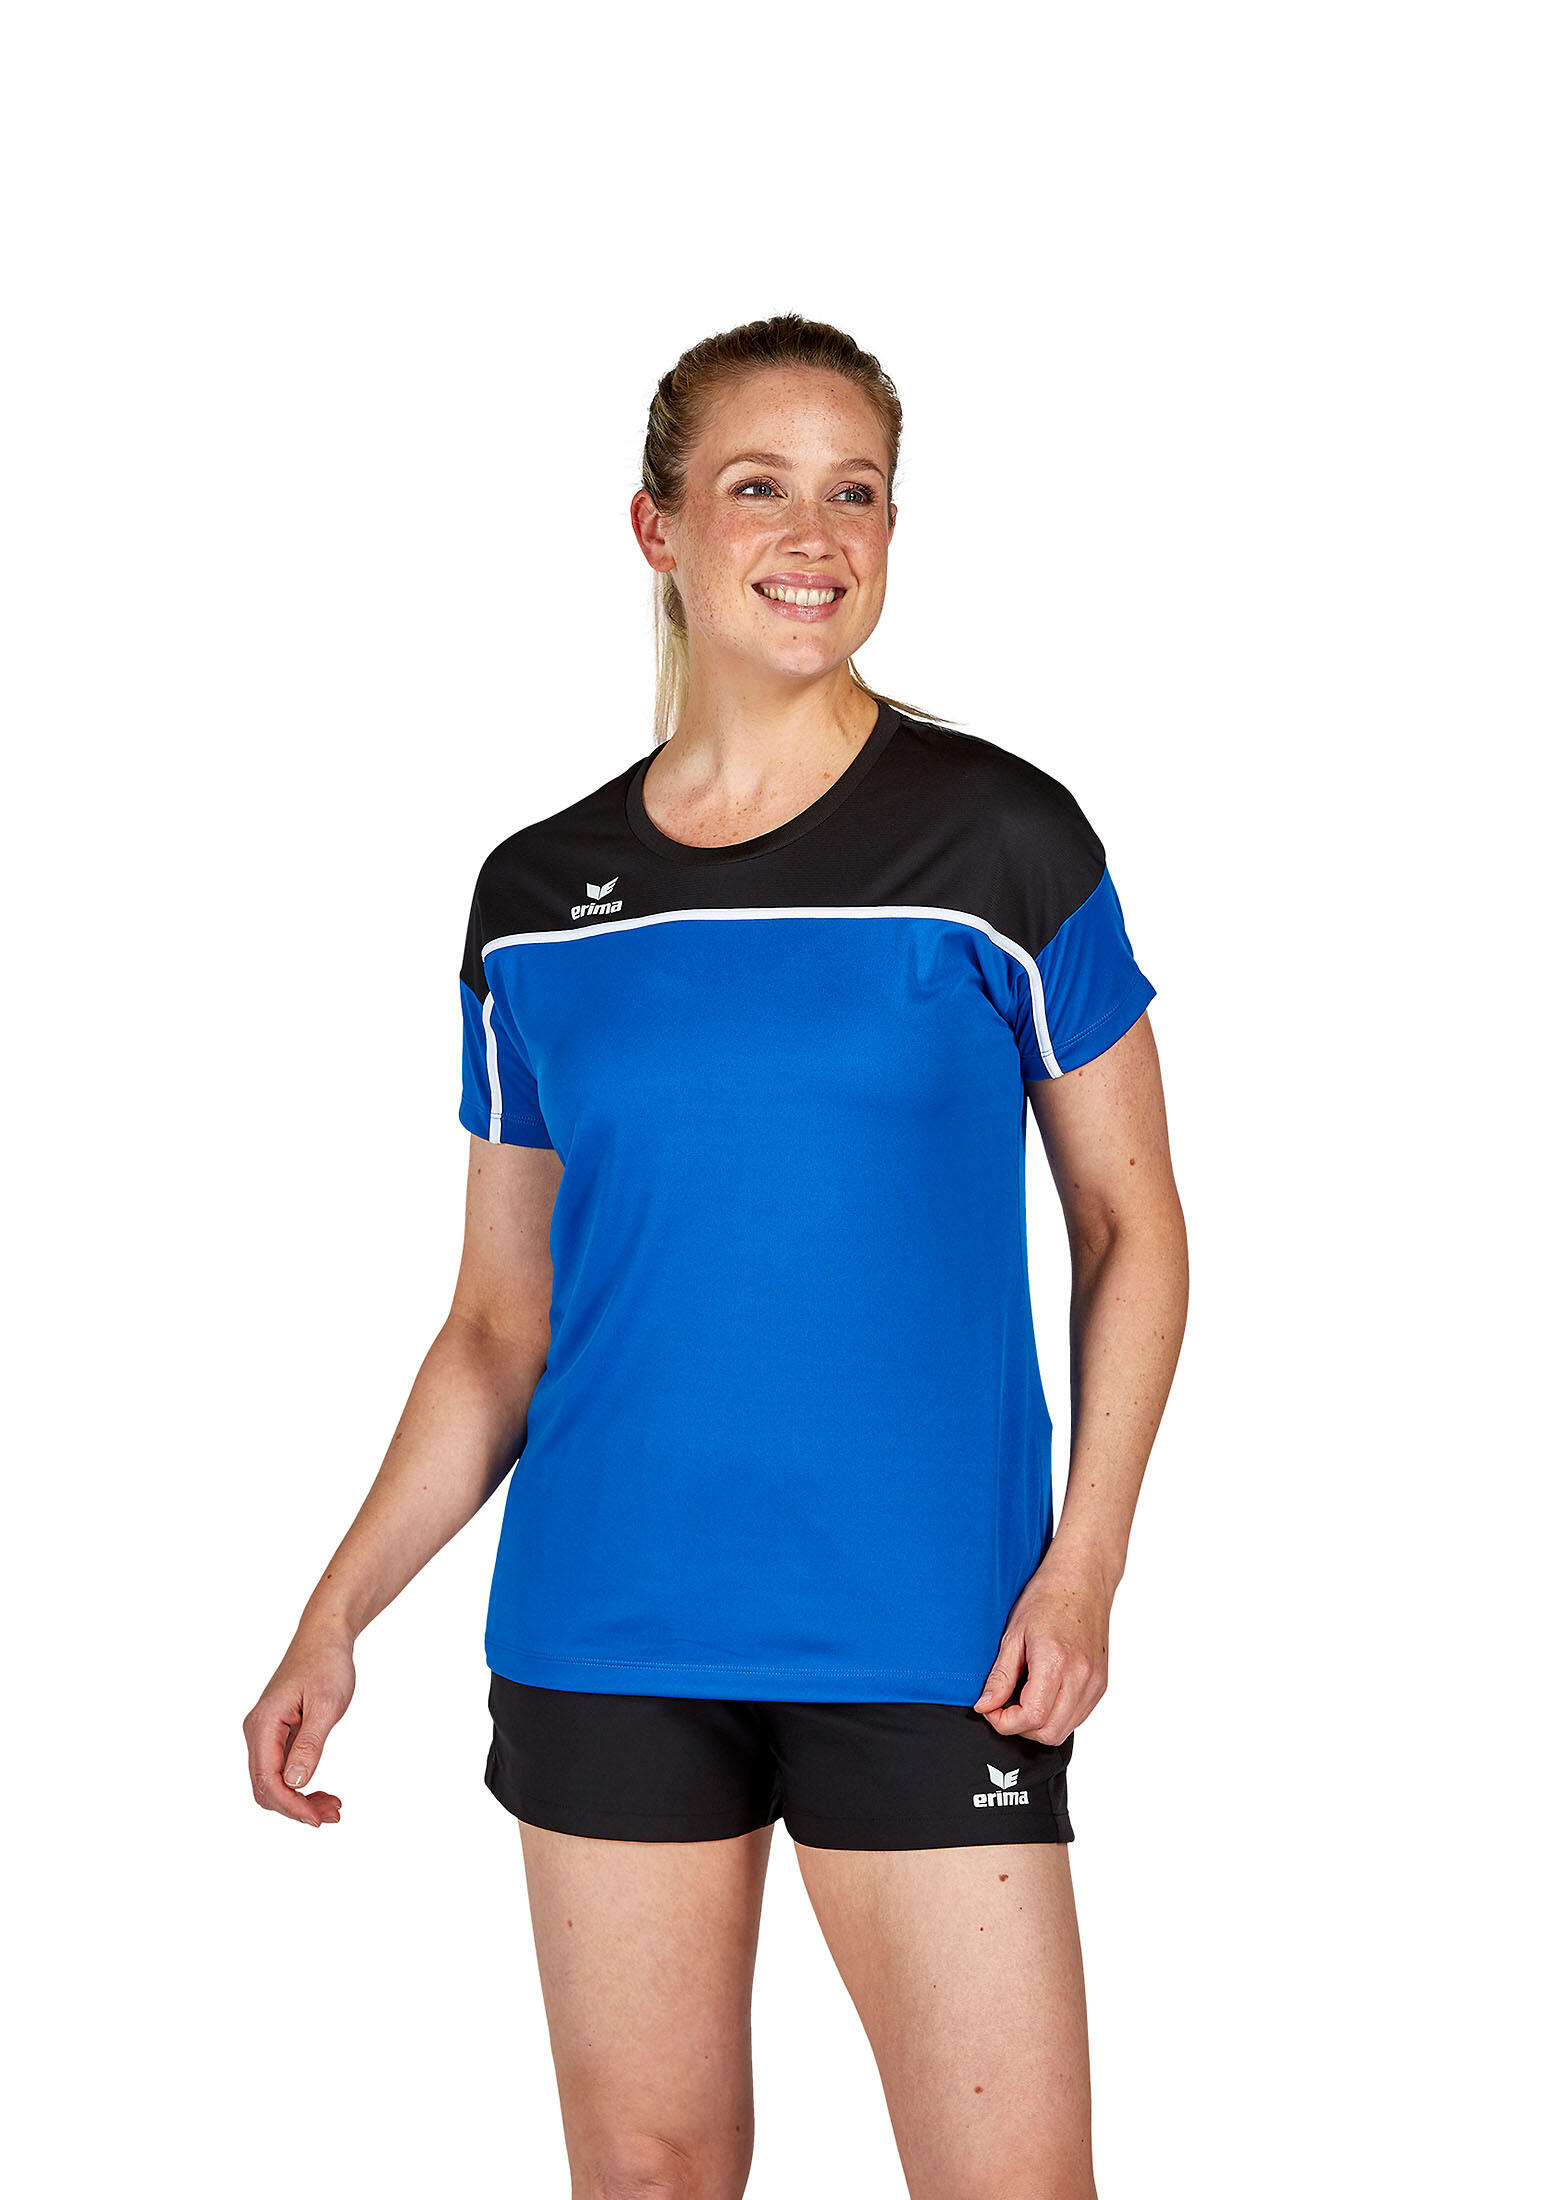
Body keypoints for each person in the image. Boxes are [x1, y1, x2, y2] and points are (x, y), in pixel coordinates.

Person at [244, 312, 1189, 2200]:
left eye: (856, 492)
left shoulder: (999, 839)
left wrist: (1084, 1565)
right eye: (758, 487)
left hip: (932, 1629)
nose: (812, 534)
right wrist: (336, 1611)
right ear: (655, 528)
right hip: (606, 1625)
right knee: (650, 2176)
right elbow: (496, 1324)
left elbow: (1131, 1226)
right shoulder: (533, 899)